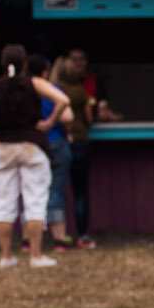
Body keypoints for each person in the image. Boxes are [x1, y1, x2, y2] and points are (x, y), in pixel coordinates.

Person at [0, 43, 68, 269]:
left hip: (4, 147)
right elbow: (63, 100)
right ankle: (35, 256)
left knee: (5, 202)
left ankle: (6, 256)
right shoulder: (34, 83)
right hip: (32, 146)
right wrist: (49, 122)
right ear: (25, 63)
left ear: (3, 63)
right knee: (35, 200)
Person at [54, 49, 117, 248]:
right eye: (74, 60)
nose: (78, 64)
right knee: (80, 191)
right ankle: (81, 235)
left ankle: (59, 236)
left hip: (57, 143)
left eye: (81, 59)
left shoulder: (50, 90)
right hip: (79, 142)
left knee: (57, 191)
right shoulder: (78, 92)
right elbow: (90, 119)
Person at [28, 54, 75, 251]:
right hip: (54, 142)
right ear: (45, 71)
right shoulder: (49, 90)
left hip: (29, 145)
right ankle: (59, 239)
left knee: (28, 192)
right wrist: (50, 121)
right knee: (55, 191)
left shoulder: (19, 91)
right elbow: (68, 116)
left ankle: (26, 240)